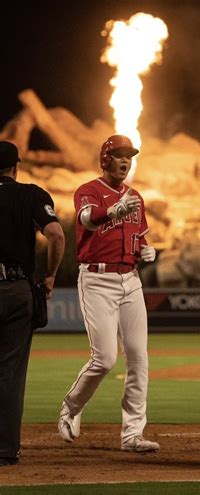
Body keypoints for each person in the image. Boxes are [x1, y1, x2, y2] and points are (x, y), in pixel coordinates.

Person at [58, 135, 159, 453]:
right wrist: (113, 211)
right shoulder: (88, 190)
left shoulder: (137, 197)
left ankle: (132, 435)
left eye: (129, 155)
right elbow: (86, 219)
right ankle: (71, 409)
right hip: (97, 280)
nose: (125, 160)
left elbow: (138, 238)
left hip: (131, 280)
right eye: (118, 155)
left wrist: (147, 250)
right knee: (104, 359)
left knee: (139, 359)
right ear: (105, 160)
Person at [0, 141, 65, 466]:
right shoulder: (31, 194)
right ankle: (5, 450)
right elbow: (56, 235)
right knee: (10, 372)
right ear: (16, 166)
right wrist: (50, 275)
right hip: (15, 288)